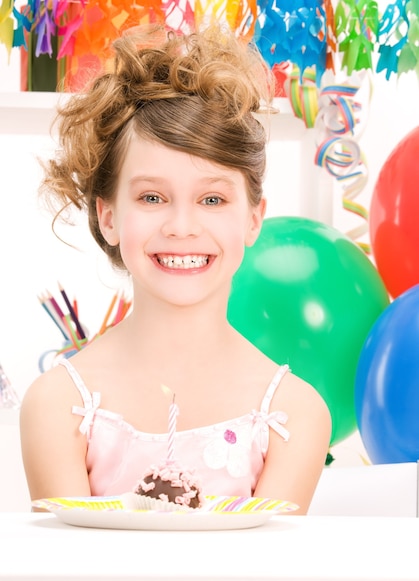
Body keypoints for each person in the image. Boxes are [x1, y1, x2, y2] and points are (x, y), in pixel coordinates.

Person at [20, 24, 331, 514]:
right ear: (108, 216)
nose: (182, 226)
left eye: (212, 198)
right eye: (151, 197)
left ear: (253, 218)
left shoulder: (294, 413)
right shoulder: (57, 405)